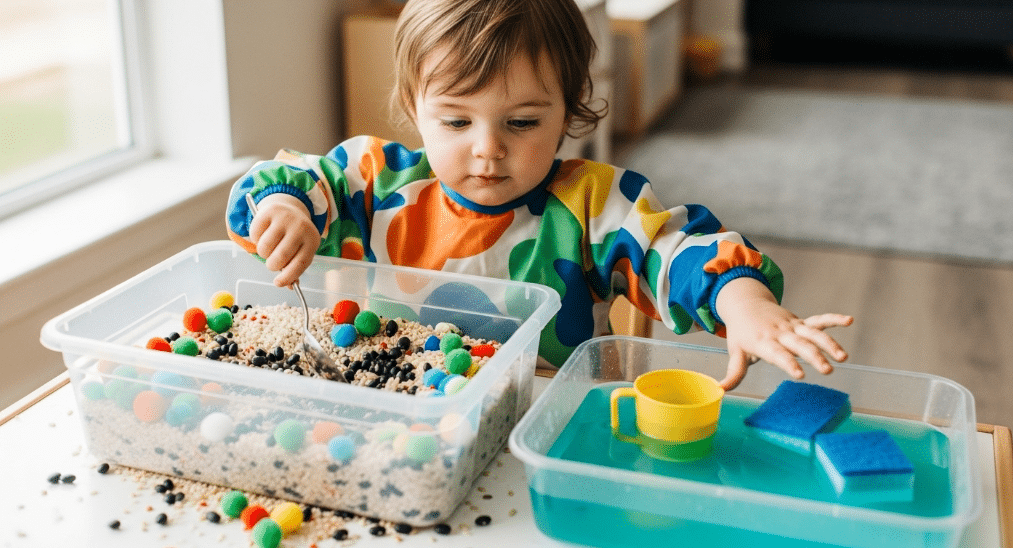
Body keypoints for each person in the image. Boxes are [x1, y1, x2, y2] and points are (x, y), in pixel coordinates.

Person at [226, 0, 853, 390]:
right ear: (413, 108)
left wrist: (741, 299)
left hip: (548, 426)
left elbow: (677, 249)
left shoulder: (595, 206)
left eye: (522, 122)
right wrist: (282, 207)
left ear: (569, 113)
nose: (487, 149)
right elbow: (288, 183)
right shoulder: (371, 181)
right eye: (455, 122)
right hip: (400, 415)